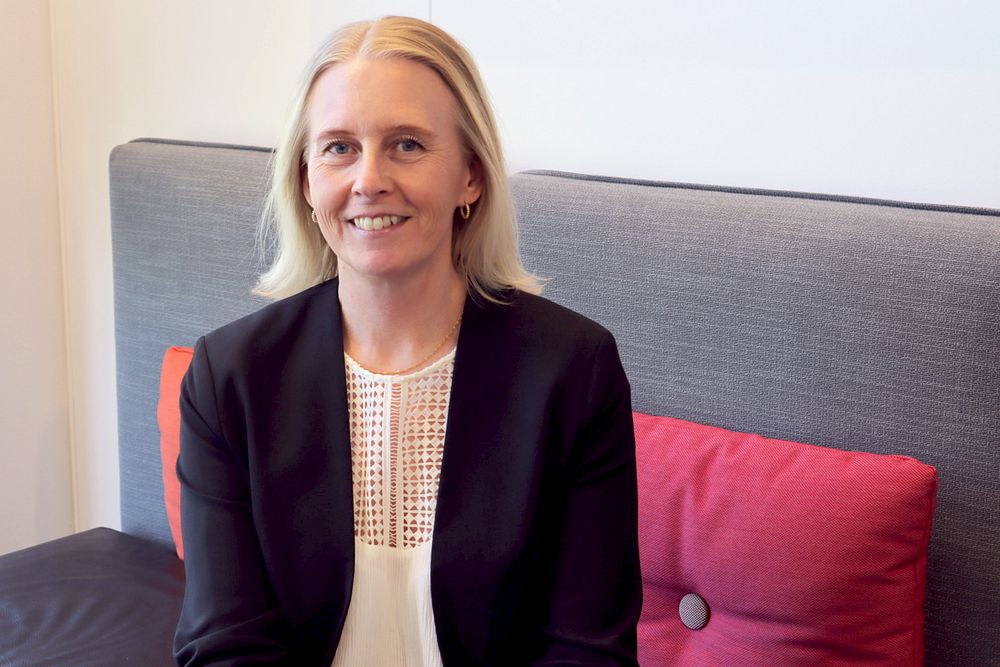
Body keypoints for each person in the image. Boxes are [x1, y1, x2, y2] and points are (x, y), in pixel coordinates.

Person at [174, 16, 641, 666]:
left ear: (471, 176)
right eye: (339, 147)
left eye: (407, 145)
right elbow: (226, 645)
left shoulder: (574, 371)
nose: (369, 180)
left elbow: (585, 652)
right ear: (307, 181)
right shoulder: (228, 377)